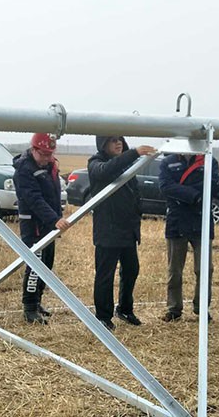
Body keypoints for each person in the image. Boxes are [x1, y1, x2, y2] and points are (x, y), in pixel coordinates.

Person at [88, 135, 156, 331]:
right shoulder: (95, 163)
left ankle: (125, 309)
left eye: (120, 139)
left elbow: (133, 193)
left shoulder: (126, 165)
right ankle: (103, 316)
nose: (118, 143)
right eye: (112, 140)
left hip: (127, 231)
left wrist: (137, 214)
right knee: (105, 275)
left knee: (131, 270)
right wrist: (134, 153)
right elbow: (105, 171)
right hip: (108, 231)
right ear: (103, 145)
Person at [13, 133, 70, 324]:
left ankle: (37, 301)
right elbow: (34, 199)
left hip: (48, 224)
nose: (47, 158)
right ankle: (29, 308)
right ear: (34, 150)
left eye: (50, 154)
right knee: (35, 266)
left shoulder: (50, 165)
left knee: (46, 264)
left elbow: (53, 195)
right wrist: (54, 219)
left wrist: (55, 217)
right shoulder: (24, 170)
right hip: (34, 225)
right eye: (44, 154)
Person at [158, 152, 219, 323]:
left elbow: (213, 186)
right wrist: (194, 195)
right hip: (176, 221)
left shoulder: (209, 161)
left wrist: (180, 189)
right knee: (174, 269)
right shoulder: (167, 162)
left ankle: (202, 308)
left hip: (202, 220)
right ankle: (174, 309)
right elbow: (165, 187)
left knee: (204, 269)